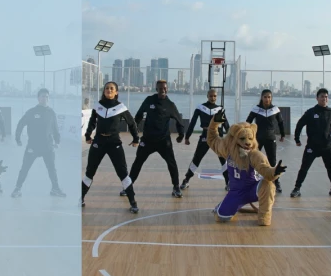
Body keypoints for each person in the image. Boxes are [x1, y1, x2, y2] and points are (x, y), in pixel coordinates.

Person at [121, 80, 185, 213]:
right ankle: (128, 187)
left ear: (167, 89)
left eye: (165, 88)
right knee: (137, 163)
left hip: (164, 141)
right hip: (147, 140)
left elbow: (179, 120)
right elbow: (138, 115)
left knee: (171, 163)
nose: (163, 90)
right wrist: (135, 133)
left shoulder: (170, 105)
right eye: (160, 88)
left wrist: (181, 134)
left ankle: (176, 187)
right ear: (156, 89)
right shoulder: (149, 100)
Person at [80, 82, 139, 207]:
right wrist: (87, 135)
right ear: (104, 91)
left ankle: (133, 202)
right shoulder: (98, 106)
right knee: (89, 172)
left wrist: (136, 139)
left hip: (114, 144)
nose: (109, 90)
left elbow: (132, 124)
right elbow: (92, 122)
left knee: (122, 173)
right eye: (107, 88)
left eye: (112, 88)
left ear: (116, 92)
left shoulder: (121, 107)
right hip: (98, 143)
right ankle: (81, 198)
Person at [289, 88, 331, 197]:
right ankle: (296, 188)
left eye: (326, 97)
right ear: (317, 98)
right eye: (322, 96)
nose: (324, 98)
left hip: (327, 146)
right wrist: (297, 139)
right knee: (304, 168)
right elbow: (300, 124)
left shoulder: (330, 113)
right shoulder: (311, 112)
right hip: (312, 147)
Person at [11, 88, 66, 198]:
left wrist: (57, 141)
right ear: (38, 98)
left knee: (52, 169)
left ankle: (55, 189)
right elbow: (21, 124)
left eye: (46, 96)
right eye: (42, 96)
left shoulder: (51, 113)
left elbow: (55, 129)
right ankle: (17, 189)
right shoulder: (32, 112)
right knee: (25, 168)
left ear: (48, 98)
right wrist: (18, 138)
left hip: (48, 147)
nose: (44, 98)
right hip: (33, 146)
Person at [180, 89, 230, 190]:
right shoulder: (200, 108)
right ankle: (186, 180)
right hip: (205, 136)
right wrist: (187, 136)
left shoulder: (220, 109)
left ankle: (228, 182)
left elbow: (226, 124)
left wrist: (231, 137)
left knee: (223, 160)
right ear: (207, 96)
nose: (213, 98)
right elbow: (193, 122)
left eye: (215, 96)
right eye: (211, 96)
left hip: (218, 137)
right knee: (197, 159)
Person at [245, 89, 286, 193]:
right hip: (257, 139)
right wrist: (247, 136)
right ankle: (250, 181)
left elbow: (281, 123)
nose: (267, 99)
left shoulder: (275, 109)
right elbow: (248, 123)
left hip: (271, 138)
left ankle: (276, 182)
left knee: (272, 161)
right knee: (253, 159)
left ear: (271, 98)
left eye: (269, 97)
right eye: (265, 97)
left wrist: (283, 134)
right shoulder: (256, 109)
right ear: (261, 98)